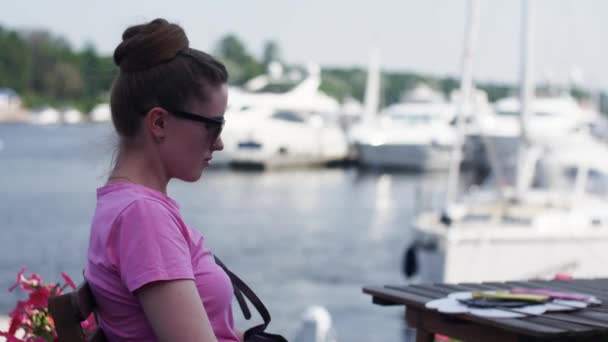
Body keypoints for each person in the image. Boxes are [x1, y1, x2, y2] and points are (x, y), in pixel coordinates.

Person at [84, 18, 239, 341]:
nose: (219, 143)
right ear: (158, 123)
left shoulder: (130, 206)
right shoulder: (143, 217)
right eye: (213, 126)